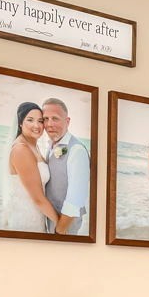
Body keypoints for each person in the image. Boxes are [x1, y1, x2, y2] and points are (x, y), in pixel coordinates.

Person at [4, 101, 62, 234]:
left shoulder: (32, 146)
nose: (36, 125)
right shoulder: (21, 150)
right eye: (30, 120)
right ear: (20, 123)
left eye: (40, 121)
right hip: (26, 220)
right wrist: (60, 224)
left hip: (37, 215)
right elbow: (38, 198)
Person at [39, 98, 91, 235]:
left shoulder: (76, 150)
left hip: (65, 226)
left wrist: (60, 230)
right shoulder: (50, 145)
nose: (49, 124)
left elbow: (76, 197)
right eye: (45, 119)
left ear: (67, 121)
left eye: (55, 118)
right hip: (52, 221)